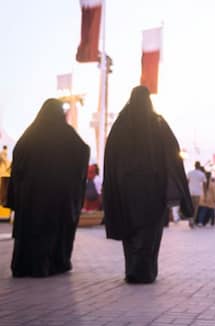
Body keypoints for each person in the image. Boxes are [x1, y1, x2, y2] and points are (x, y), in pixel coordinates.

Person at [103, 86, 193, 284]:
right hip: (153, 190)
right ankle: (146, 271)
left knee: (130, 231)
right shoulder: (158, 123)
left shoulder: (120, 124)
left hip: (126, 190)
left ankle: (132, 270)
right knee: (150, 232)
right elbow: (173, 154)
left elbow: (110, 156)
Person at [7, 98, 89, 277]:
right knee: (53, 230)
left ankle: (25, 266)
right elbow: (83, 151)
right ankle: (52, 265)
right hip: (57, 197)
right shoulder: (67, 135)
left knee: (31, 231)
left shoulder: (30, 134)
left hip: (31, 197)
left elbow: (17, 163)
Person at [187, 161, 206, 227]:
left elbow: (187, 182)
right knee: (196, 207)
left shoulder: (190, 173)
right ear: (199, 166)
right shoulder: (202, 174)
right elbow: (204, 184)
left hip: (190, 192)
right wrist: (205, 194)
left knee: (190, 206)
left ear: (194, 166)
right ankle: (192, 220)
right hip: (198, 192)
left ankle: (190, 219)